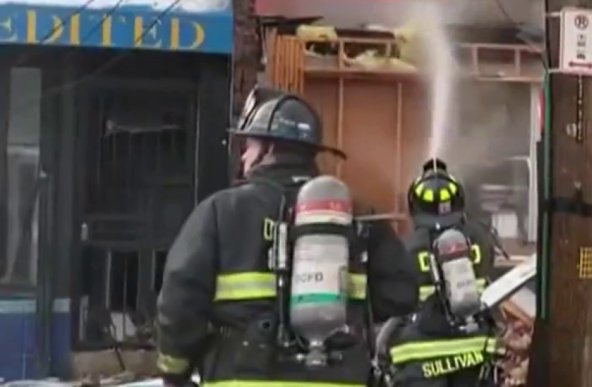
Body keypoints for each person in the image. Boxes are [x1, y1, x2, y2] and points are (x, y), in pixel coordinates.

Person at [154, 87, 419, 387]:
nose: (243, 155)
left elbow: (179, 303)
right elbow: (401, 295)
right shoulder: (358, 215)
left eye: (249, 145)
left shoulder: (221, 211)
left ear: (267, 149)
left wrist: (174, 373)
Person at [383, 158, 502, 386]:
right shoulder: (481, 239)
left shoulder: (406, 247)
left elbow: (393, 305)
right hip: (474, 350)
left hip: (419, 354)